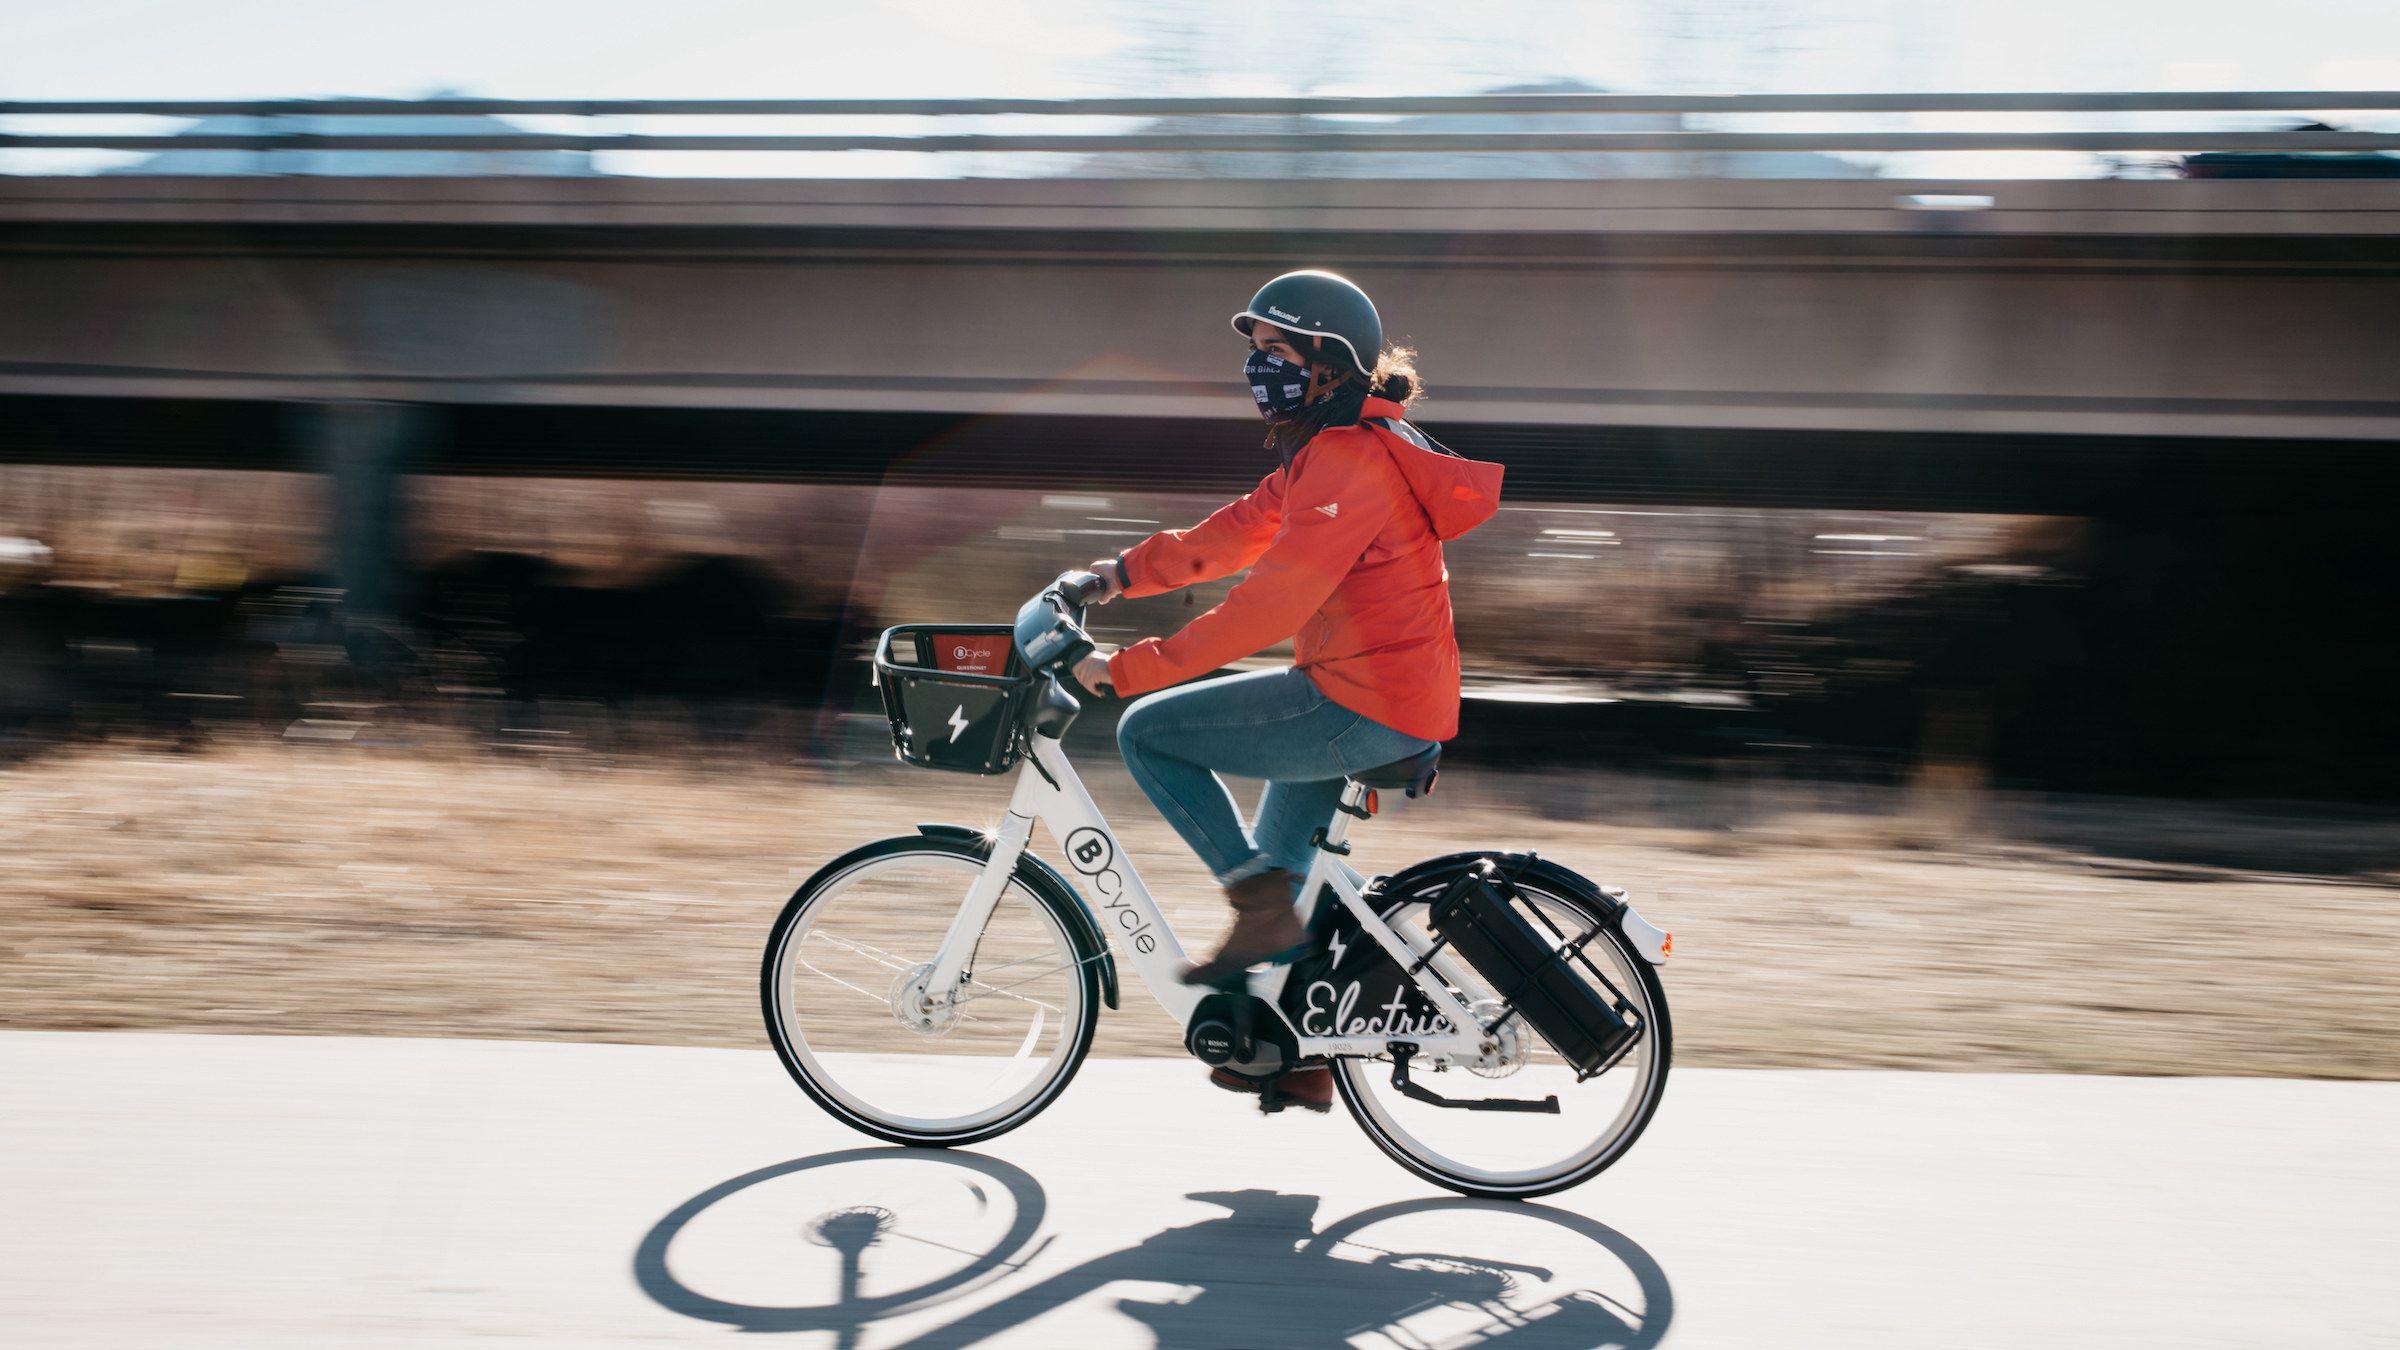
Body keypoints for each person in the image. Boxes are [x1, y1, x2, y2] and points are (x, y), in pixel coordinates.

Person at [1069, 270, 1503, 1109]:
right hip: (1366, 695)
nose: (1256, 368)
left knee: (1147, 735)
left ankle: (1262, 916)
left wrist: (1128, 670)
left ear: (1328, 367)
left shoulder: (1348, 464)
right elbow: (1231, 534)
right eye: (1255, 352)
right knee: (1283, 871)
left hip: (1360, 706)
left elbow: (1267, 603)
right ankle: (1295, 1048)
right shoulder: (1329, 455)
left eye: (1275, 351)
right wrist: (1115, 575)